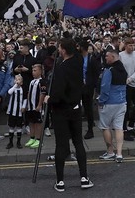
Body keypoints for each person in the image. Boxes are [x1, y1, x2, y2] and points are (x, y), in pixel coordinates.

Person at [46, 36, 92, 192]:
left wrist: (48, 99)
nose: (58, 50)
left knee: (61, 145)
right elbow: (77, 50)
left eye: (59, 48)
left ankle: (60, 182)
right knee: (78, 142)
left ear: (64, 51)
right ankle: (84, 178)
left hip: (61, 112)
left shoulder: (60, 69)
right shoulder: (78, 61)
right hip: (76, 109)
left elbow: (57, 95)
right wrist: (66, 33)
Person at [97, 48, 127, 163]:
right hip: (122, 102)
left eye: (107, 56)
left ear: (113, 57)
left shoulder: (109, 70)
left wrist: (101, 101)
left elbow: (105, 88)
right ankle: (119, 154)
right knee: (119, 128)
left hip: (109, 102)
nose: (105, 58)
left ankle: (110, 152)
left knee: (105, 127)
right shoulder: (123, 69)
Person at [118, 38, 135, 141]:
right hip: (125, 85)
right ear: (125, 45)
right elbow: (120, 69)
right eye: (130, 45)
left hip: (133, 83)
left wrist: (131, 78)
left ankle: (130, 126)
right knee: (126, 108)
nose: (132, 47)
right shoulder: (121, 55)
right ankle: (124, 130)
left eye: (133, 45)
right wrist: (125, 79)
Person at [24, 64, 45, 149]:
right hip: (30, 106)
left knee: (38, 123)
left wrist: (39, 105)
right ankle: (32, 138)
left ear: (40, 71)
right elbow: (29, 93)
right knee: (31, 122)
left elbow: (42, 94)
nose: (33, 72)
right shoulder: (32, 81)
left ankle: (38, 140)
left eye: (35, 70)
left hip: (37, 106)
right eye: (32, 70)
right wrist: (26, 104)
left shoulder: (42, 81)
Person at [5, 75, 25, 149]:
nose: (18, 80)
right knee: (11, 127)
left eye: (19, 79)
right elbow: (9, 92)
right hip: (12, 111)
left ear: (22, 82)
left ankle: (18, 142)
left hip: (19, 111)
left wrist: (24, 106)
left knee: (19, 127)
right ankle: (10, 142)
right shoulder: (13, 89)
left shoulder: (22, 90)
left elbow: (25, 99)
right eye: (16, 79)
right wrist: (15, 85)